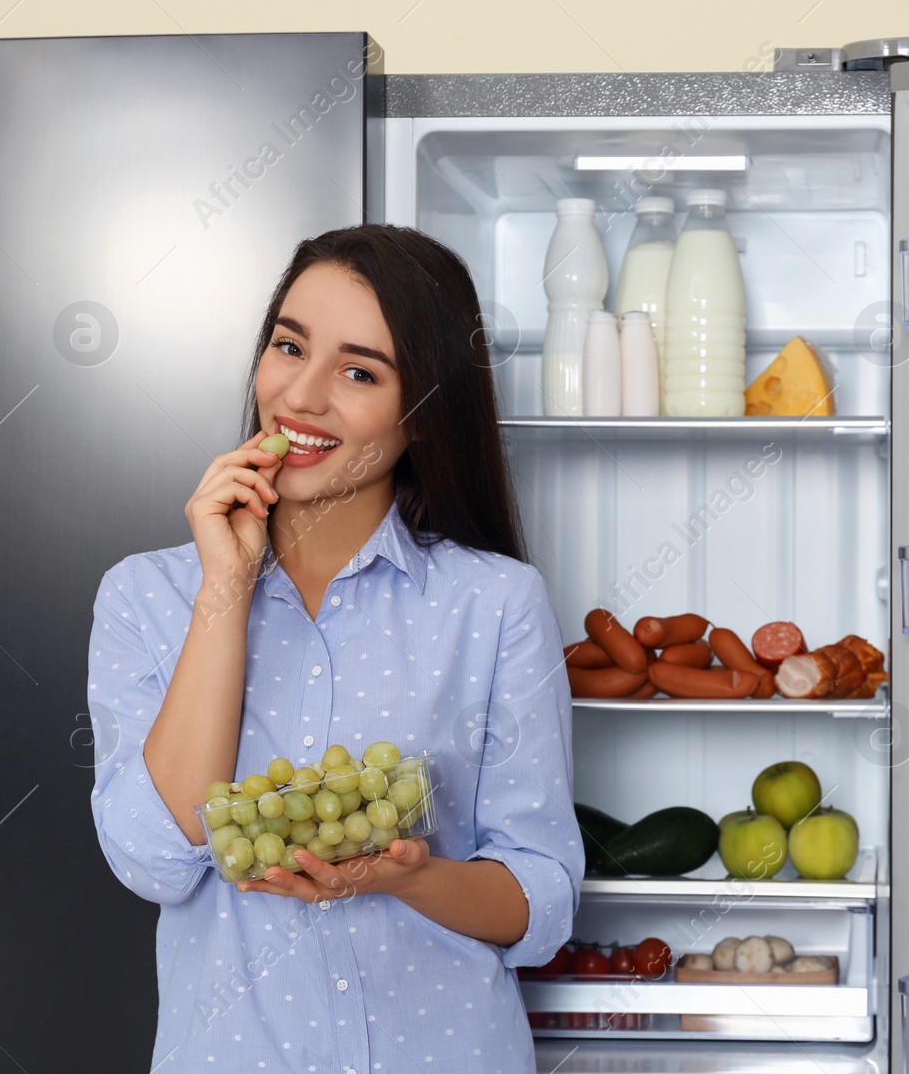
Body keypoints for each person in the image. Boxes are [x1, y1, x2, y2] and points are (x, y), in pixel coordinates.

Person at [87, 225, 580, 1073]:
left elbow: (540, 905)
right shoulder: (148, 596)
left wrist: (405, 878)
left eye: (359, 372)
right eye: (289, 347)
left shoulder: (494, 604)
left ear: (423, 416)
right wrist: (225, 592)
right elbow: (154, 862)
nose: (302, 397)